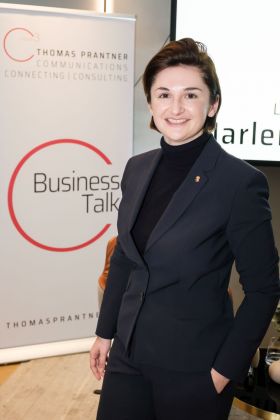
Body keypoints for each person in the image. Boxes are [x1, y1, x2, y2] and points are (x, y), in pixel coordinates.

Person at [90, 38, 280, 420]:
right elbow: (127, 257)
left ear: (212, 105)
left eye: (190, 94)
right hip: (128, 357)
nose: (175, 108)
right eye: (163, 94)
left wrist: (223, 372)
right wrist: (105, 331)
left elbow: (264, 289)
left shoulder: (239, 183)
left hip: (195, 368)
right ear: (150, 103)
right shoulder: (137, 168)